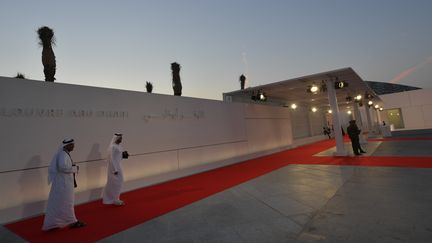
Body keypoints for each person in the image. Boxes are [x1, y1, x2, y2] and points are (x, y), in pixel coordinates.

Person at [42, 138, 86, 230]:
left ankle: (56, 223)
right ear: (67, 145)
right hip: (64, 184)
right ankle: (72, 221)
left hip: (64, 183)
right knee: (67, 203)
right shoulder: (63, 154)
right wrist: (74, 168)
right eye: (72, 145)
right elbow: (62, 167)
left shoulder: (64, 154)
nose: (74, 146)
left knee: (62, 203)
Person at [102, 133, 128, 206]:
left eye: (121, 138)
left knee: (119, 183)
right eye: (120, 138)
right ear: (116, 138)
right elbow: (111, 159)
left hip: (119, 166)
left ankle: (116, 198)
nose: (121, 139)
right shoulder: (112, 147)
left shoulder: (119, 146)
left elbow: (118, 156)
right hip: (114, 168)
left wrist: (124, 155)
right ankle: (112, 199)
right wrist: (114, 169)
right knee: (114, 183)